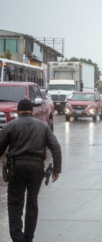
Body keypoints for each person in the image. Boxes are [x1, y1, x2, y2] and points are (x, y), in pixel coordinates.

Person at [0, 99, 62, 242]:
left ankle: (17, 238)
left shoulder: (10, 126)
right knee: (32, 203)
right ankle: (28, 239)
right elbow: (56, 148)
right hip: (37, 169)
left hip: (17, 169)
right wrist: (56, 169)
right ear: (32, 112)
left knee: (15, 204)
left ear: (18, 111)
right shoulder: (43, 127)